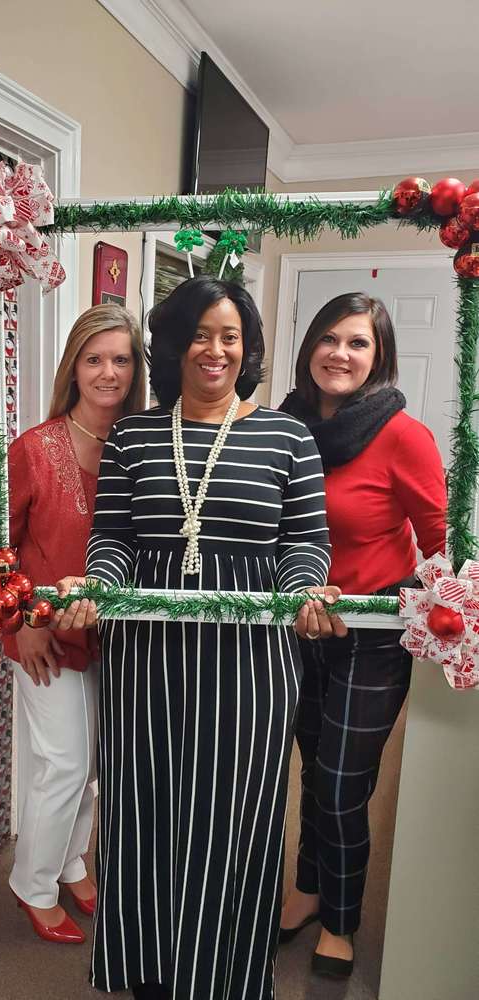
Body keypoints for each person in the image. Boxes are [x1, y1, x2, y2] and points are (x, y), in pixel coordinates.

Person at [55, 276, 343, 999]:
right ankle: (148, 970)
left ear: (246, 349)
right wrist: (99, 585)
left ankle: (227, 974)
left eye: (230, 336)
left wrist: (304, 586)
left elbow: (306, 540)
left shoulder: (287, 436)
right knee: (143, 807)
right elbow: (113, 536)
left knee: (235, 817)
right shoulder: (136, 433)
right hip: (146, 656)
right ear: (174, 344)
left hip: (251, 664)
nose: (214, 349)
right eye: (199, 334)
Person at [277, 292, 447, 978]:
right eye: (330, 338)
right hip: (298, 630)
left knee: (344, 783)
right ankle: (309, 888)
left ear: (379, 358)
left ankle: (341, 920)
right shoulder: (280, 426)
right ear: (309, 345)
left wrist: (440, 615)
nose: (339, 354)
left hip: (373, 633)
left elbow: (441, 541)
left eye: (358, 343)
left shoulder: (401, 435)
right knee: (313, 771)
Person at [6, 303, 146, 944]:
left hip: (120, 636)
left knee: (95, 760)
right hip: (45, 637)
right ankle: (33, 884)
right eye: (95, 359)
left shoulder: (146, 445)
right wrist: (23, 622)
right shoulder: (33, 449)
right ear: (74, 367)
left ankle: (71, 861)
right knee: (62, 762)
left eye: (121, 359)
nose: (108, 372)